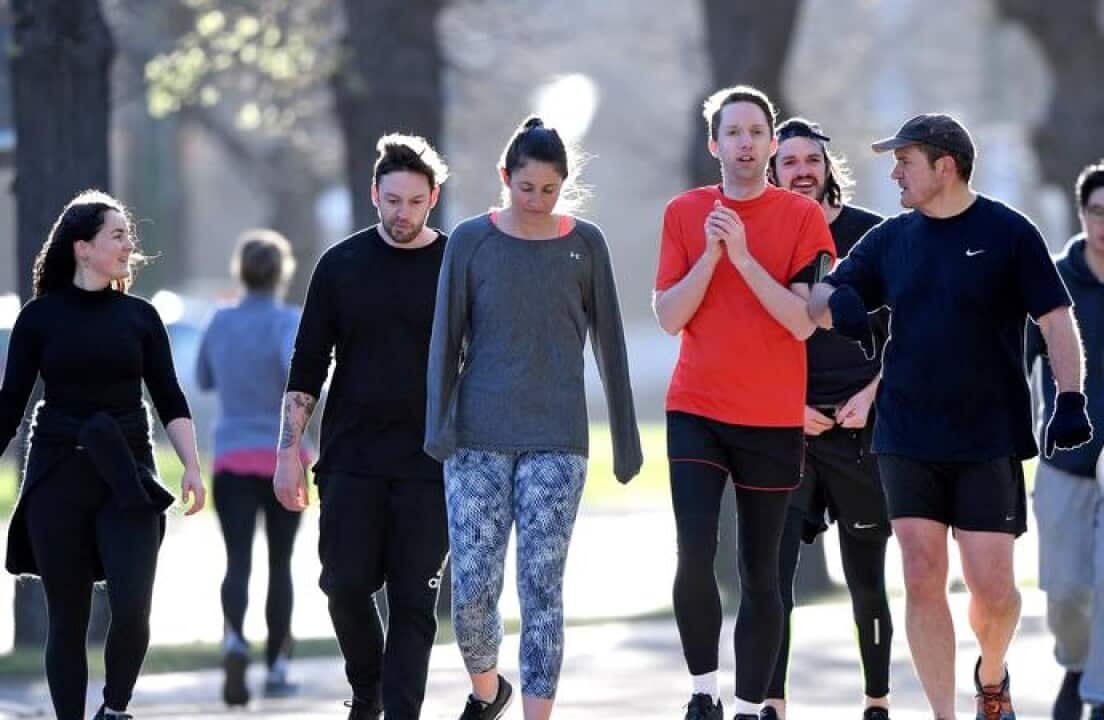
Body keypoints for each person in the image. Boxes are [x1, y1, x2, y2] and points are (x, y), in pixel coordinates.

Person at [807, 114, 1091, 720]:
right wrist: (843, 307)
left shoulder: (1009, 233)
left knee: (994, 592)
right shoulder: (889, 239)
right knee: (920, 571)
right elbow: (821, 297)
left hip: (988, 434)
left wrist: (1070, 398)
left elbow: (1055, 320)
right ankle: (944, 714)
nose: (894, 172)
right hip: (906, 432)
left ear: (945, 165)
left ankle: (992, 675)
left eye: (905, 160)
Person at [425, 115, 642, 720]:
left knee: (541, 590)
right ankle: (489, 689)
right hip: (476, 438)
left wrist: (625, 439)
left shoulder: (585, 243)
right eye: (527, 188)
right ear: (505, 177)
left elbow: (612, 344)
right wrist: (437, 426)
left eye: (549, 190)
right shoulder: (472, 240)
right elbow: (446, 336)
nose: (537, 201)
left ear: (563, 185)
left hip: (557, 439)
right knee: (471, 589)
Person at [653, 86, 835, 720]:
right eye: (733, 132)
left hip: (770, 416)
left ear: (772, 141)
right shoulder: (684, 212)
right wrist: (709, 252)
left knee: (761, 572)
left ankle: (753, 703)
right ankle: (703, 693)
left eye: (758, 131)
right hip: (696, 408)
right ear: (715, 144)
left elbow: (804, 322)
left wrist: (745, 256)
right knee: (695, 550)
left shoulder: (802, 219)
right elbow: (670, 316)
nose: (746, 142)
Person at [0, 190, 206, 720]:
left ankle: (115, 708)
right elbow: (8, 407)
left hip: (128, 475)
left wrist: (191, 466)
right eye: (117, 235)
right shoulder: (38, 319)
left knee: (133, 608)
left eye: (127, 235)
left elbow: (170, 397)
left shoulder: (140, 317)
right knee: (66, 620)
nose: (128, 245)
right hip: (58, 477)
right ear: (82, 247)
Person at [275, 134, 452, 720]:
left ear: (433, 199)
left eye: (415, 202)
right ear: (374, 193)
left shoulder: (454, 265)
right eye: (392, 199)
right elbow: (307, 362)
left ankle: (397, 711)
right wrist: (287, 452)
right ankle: (368, 688)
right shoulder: (340, 264)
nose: (402, 213)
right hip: (351, 456)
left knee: (412, 603)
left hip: (429, 461)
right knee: (344, 584)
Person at [763, 117, 893, 720]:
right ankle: (772, 705)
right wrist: (784, 405)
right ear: (773, 169)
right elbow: (741, 341)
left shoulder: (873, 236)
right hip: (785, 433)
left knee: (867, 580)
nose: (802, 171)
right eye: (789, 162)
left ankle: (876, 702)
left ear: (828, 166)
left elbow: (911, 331)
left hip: (862, 431)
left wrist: (873, 393)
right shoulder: (757, 239)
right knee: (773, 582)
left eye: (811, 160)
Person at [1024, 154, 1104, 720]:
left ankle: (1103, 697)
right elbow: (1015, 364)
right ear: (1081, 212)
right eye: (1098, 212)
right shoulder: (1047, 279)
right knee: (1066, 592)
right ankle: (1077, 664)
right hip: (1062, 464)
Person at [196, 229, 308, 705]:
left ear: (240, 272)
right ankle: (278, 665)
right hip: (282, 459)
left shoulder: (220, 322)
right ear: (282, 273)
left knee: (236, 559)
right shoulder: (290, 321)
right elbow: (297, 372)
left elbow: (202, 378)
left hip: (231, 455)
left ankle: (234, 639)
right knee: (280, 563)